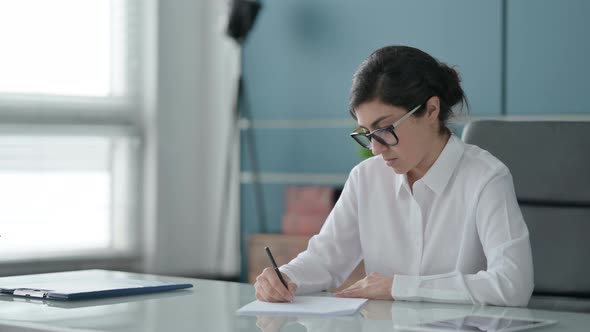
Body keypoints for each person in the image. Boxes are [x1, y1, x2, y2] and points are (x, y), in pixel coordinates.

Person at [254, 45, 534, 306]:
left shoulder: (486, 178)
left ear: (431, 110)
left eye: (385, 129)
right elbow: (325, 259)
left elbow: (513, 283)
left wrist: (398, 287)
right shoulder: (366, 178)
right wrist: (286, 278)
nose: (376, 149)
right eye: (366, 134)